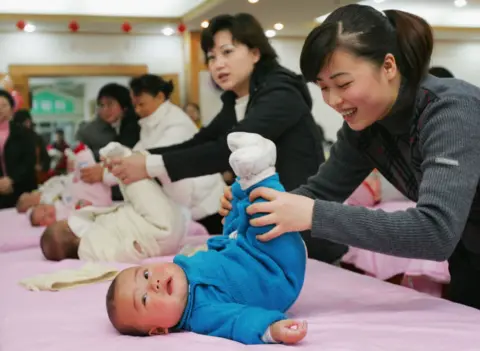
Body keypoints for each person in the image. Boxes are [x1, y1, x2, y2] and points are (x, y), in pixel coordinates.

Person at [220, 4, 480, 309]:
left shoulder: (449, 111)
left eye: (343, 84)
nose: (333, 101)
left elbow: (435, 231)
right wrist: (259, 206)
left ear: (388, 66)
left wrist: (313, 214)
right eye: (324, 88)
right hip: (468, 256)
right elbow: (319, 192)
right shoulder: (366, 127)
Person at [106, 13, 347, 264]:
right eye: (212, 57)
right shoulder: (236, 99)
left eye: (227, 52)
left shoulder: (280, 92)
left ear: (255, 53)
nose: (218, 64)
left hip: (306, 235)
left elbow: (226, 150)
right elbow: (201, 140)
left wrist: (148, 166)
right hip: (267, 231)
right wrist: (145, 157)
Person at [105, 132, 307, 345]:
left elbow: (220, 254)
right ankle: (259, 174)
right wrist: (271, 329)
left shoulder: (183, 267)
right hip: (276, 271)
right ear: (158, 330)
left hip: (244, 250)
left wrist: (231, 225)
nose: (153, 284)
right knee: (265, 217)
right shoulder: (202, 313)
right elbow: (237, 321)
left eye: (145, 274)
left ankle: (244, 179)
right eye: (144, 299)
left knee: (235, 211)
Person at [102, 75, 225, 234]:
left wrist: (112, 168)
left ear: (159, 96)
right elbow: (139, 153)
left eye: (141, 104)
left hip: (206, 205)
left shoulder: (176, 123)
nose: (138, 110)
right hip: (184, 203)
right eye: (135, 106)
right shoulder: (150, 123)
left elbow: (155, 159)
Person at [40, 142, 189, 263]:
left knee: (134, 190)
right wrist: (133, 250)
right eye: (65, 223)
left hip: (149, 224)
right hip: (157, 229)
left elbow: (103, 218)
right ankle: (121, 159)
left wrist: (87, 210)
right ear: (69, 231)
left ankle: (119, 165)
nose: (68, 220)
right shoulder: (89, 250)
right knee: (134, 181)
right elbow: (115, 255)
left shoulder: (89, 234)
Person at [76, 83, 140, 201]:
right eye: (101, 105)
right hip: (98, 194)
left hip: (131, 192)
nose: (105, 109)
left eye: (110, 104)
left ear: (124, 106)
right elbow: (79, 158)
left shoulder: (135, 127)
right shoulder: (87, 131)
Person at [0, 90, 37, 209]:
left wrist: (11, 180)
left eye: (4, 105)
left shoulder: (23, 133)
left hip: (22, 189)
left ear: (11, 109)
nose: (0, 109)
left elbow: (29, 161)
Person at [13, 109, 50, 183]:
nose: (27, 124)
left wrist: (42, 167)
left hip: (31, 177)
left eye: (27, 121)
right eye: (24, 122)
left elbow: (45, 157)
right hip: (19, 178)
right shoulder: (12, 138)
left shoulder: (35, 138)